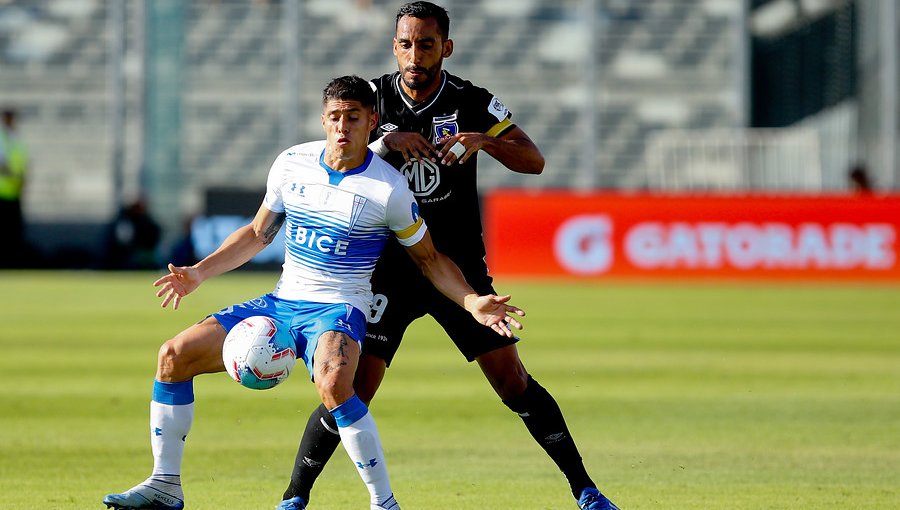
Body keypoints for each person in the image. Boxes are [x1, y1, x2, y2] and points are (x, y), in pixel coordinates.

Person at [102, 75, 525, 510]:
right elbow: (256, 233)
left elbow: (430, 260)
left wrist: (472, 301)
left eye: (354, 117)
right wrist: (198, 273)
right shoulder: (291, 163)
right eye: (335, 117)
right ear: (323, 119)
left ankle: (384, 503)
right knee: (173, 355)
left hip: (339, 310)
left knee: (335, 383)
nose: (343, 127)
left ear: (372, 121)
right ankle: (165, 484)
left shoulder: (388, 188)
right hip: (282, 302)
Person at [278, 3, 620, 510]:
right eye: (406, 44)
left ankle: (586, 490)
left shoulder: (473, 101)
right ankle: (294, 498)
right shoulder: (369, 101)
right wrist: (384, 139)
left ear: (447, 47)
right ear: (395, 46)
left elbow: (534, 159)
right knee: (349, 389)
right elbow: (334, 143)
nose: (415, 55)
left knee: (512, 381)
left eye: (427, 44)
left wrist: (481, 141)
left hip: (455, 268)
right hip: (386, 272)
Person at [0, 108, 30, 268]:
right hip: (2, 193)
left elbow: (22, 164)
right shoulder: (2, 139)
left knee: (13, 232)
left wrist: (23, 180)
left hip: (14, 192)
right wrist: (16, 177)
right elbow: (2, 165)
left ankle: (12, 263)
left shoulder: (16, 140)